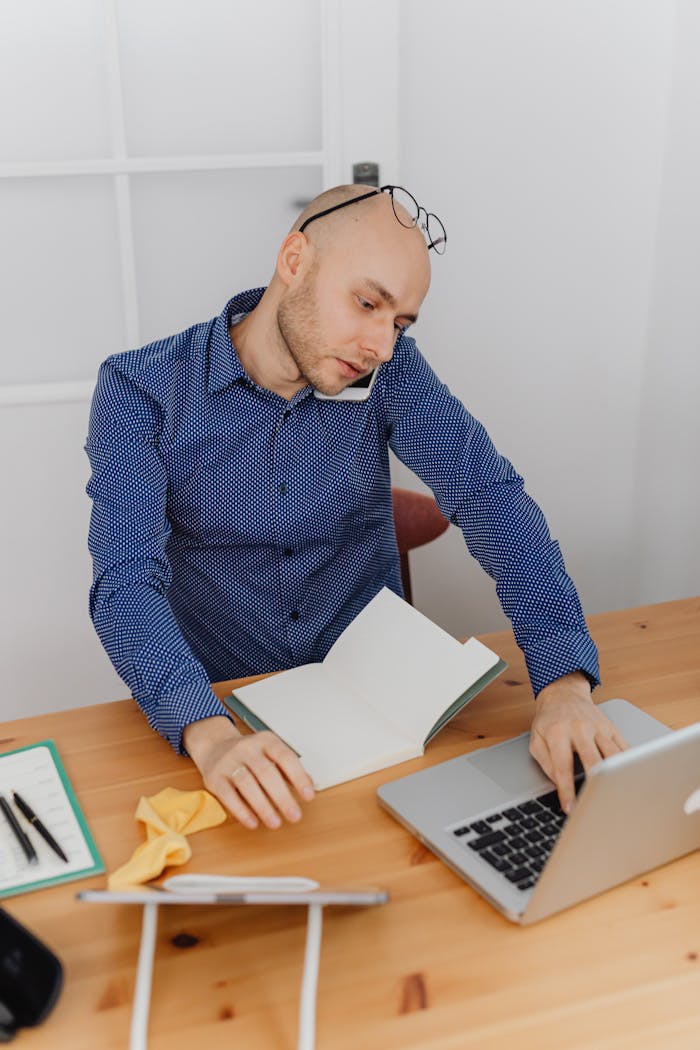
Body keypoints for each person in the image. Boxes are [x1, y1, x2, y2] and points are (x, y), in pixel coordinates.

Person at [86, 183, 626, 832]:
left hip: (380, 708)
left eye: (398, 322)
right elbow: (124, 581)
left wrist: (563, 683)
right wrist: (210, 733)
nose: (382, 346)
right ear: (294, 262)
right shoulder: (138, 390)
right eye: (367, 303)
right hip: (223, 714)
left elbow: (490, 496)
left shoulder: (388, 374)